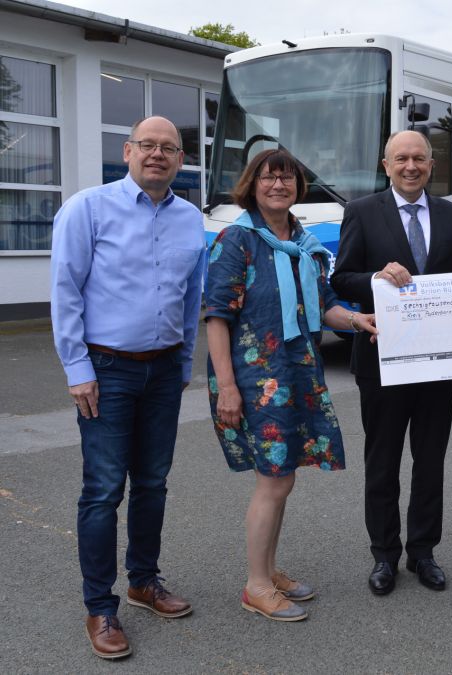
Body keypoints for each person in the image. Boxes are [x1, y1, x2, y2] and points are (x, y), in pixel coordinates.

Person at [50, 116, 204, 660]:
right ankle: (100, 606)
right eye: (148, 145)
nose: (157, 154)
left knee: (154, 483)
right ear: (127, 150)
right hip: (106, 370)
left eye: (169, 148)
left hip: (163, 371)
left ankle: (143, 580)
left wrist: (185, 360)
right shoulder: (87, 209)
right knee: (103, 489)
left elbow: (190, 300)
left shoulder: (190, 220)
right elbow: (65, 289)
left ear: (181, 160)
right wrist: (77, 368)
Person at [205, 149, 377, 622]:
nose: (278, 185)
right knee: (274, 480)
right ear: (252, 184)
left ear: (299, 187)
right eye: (268, 177)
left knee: (283, 478)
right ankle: (256, 585)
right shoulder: (236, 240)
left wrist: (356, 318)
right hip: (256, 380)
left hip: (297, 372)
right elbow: (216, 318)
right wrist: (228, 388)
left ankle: (269, 569)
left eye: (287, 178)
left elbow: (323, 305)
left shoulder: (303, 243)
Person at [331, 130, 452, 595]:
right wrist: (376, 277)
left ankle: (423, 552)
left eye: (419, 158)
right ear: (387, 164)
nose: (411, 166)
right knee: (382, 461)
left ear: (431, 165)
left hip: (438, 363)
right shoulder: (361, 212)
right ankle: (384, 556)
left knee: (429, 460)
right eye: (402, 158)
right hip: (382, 361)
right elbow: (341, 277)